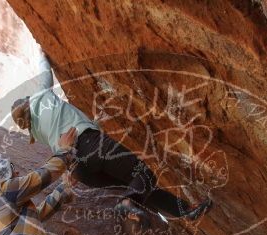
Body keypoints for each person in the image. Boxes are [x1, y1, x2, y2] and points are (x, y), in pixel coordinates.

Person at [11, 52, 213, 223]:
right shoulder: (39, 98)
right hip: (90, 144)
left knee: (135, 185)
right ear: (28, 103)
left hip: (80, 170)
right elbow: (44, 73)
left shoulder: (37, 133)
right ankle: (128, 204)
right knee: (143, 173)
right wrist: (41, 52)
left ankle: (185, 211)